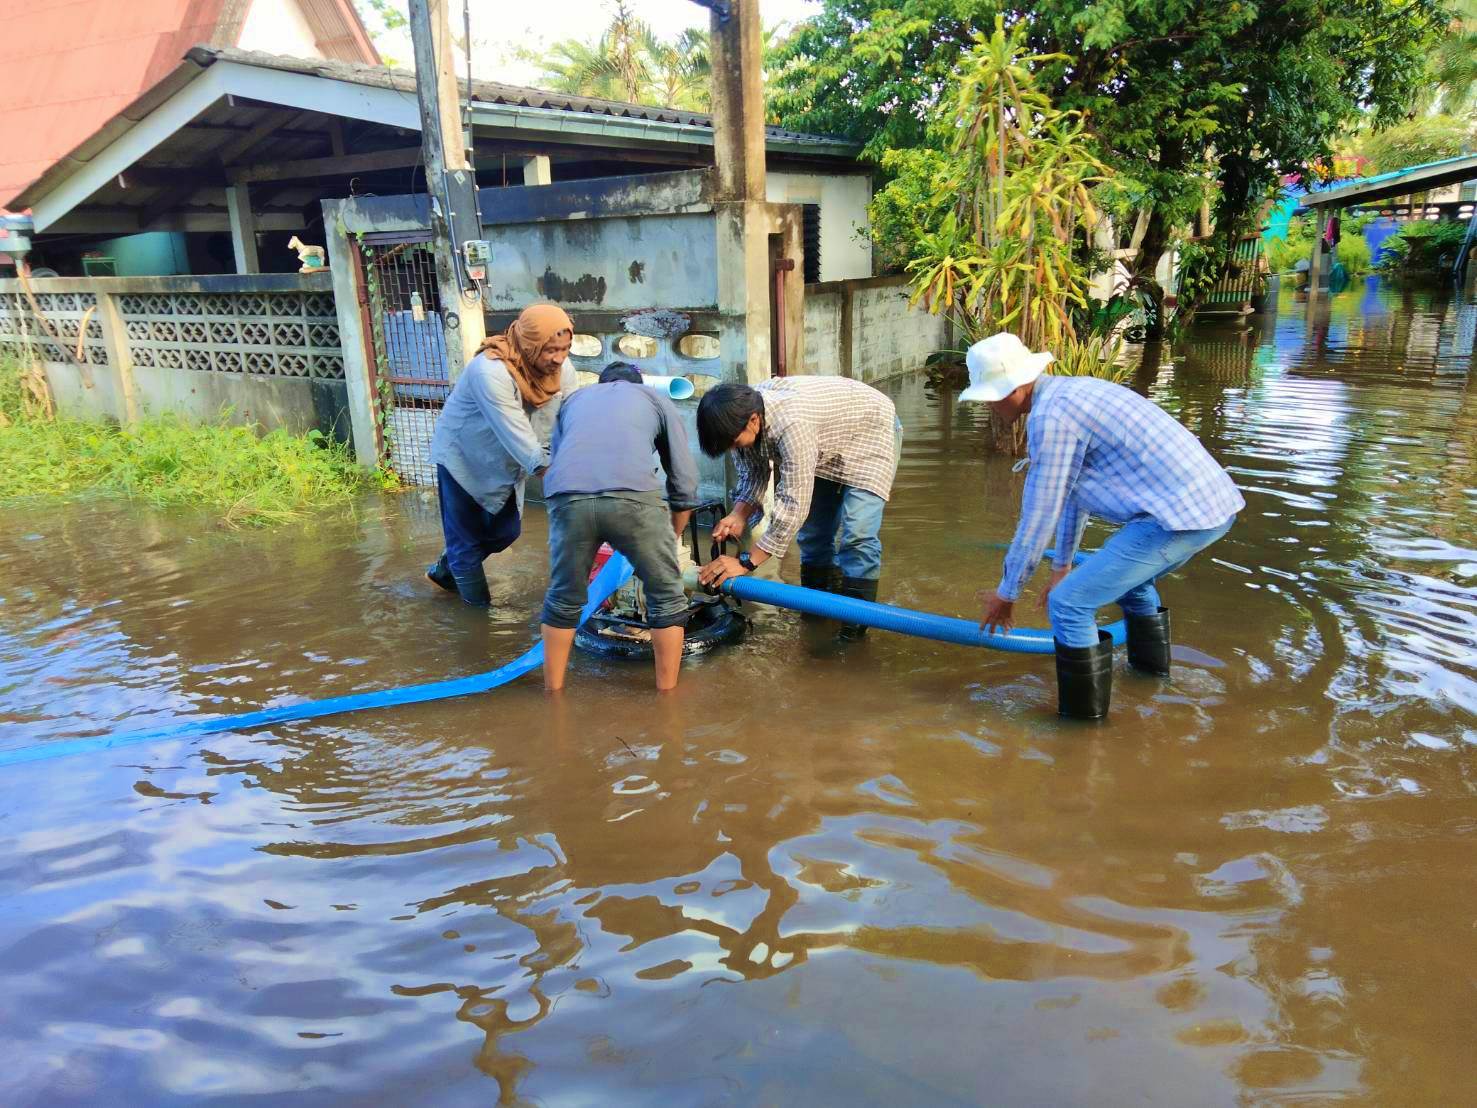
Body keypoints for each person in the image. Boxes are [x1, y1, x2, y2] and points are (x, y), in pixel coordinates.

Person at [964, 332, 1244, 720]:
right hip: (1208, 507)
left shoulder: (1052, 417)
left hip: (1179, 518)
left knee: (1070, 604)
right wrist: (1061, 567)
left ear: (1009, 391)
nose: (989, 407)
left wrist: (1007, 593)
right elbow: (1073, 496)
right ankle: (1152, 682)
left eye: (988, 398)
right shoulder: (1072, 393)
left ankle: (1082, 729)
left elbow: (1039, 515)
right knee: (1130, 585)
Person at [695, 376, 900, 641]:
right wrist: (738, 514)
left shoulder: (793, 424)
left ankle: (854, 630)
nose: (734, 448)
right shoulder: (737, 416)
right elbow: (753, 472)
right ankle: (817, 613)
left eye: (734, 443)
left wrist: (746, 562)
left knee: (858, 536)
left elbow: (793, 504)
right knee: (814, 536)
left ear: (754, 421)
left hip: (870, 432)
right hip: (827, 441)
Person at [539, 362, 701, 692]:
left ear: (602, 384)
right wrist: (670, 538)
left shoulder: (573, 400)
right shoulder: (654, 399)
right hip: (634, 497)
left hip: (566, 497)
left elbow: (557, 460)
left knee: (563, 599)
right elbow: (684, 480)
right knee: (667, 598)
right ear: (639, 384)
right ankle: (668, 701)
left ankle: (551, 694)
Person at [425, 304, 577, 606]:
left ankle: (448, 566)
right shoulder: (490, 371)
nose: (558, 358)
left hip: (506, 462)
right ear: (531, 344)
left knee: (506, 532)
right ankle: (478, 623)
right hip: (463, 458)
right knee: (466, 543)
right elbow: (517, 434)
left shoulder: (563, 371)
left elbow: (573, 418)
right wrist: (564, 485)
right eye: (550, 350)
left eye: (565, 349)